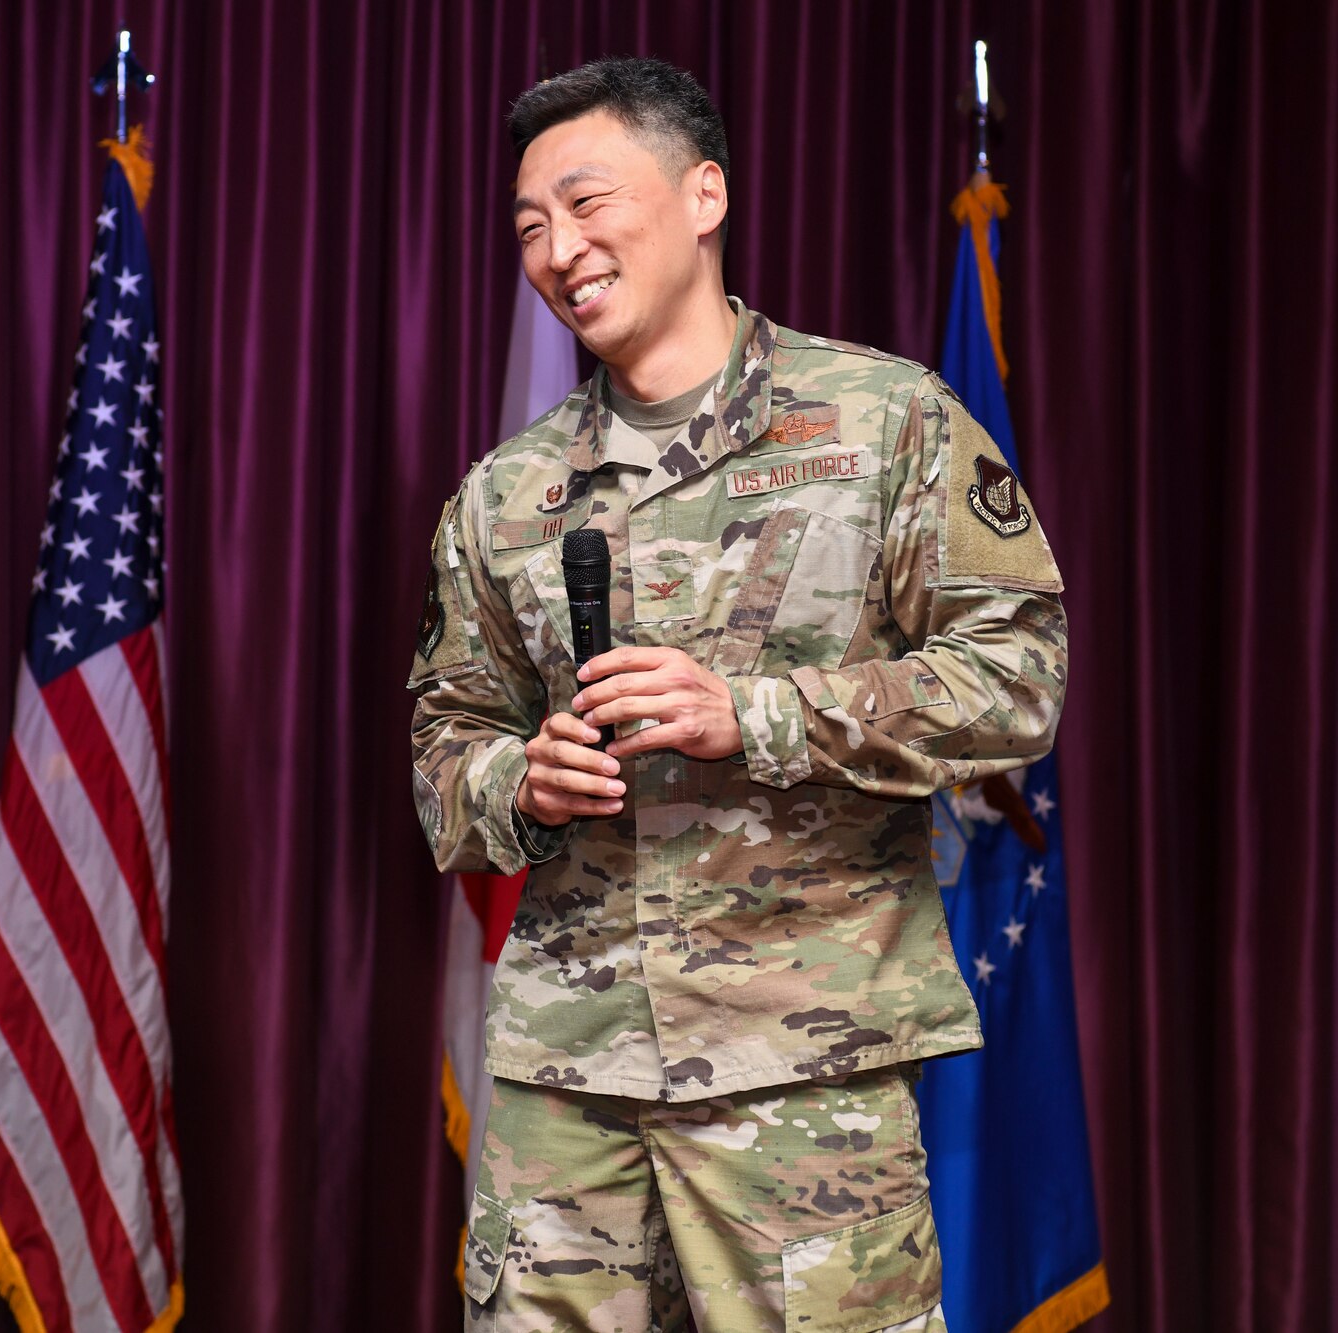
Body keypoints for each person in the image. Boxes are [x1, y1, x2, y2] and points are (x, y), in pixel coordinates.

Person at [407, 58, 1066, 1333]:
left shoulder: (885, 426)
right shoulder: (504, 494)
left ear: (702, 193)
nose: (557, 250)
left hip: (799, 1077)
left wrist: (756, 716)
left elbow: (1016, 682)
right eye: (529, 226)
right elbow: (444, 748)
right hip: (564, 1080)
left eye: (587, 204)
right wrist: (516, 784)